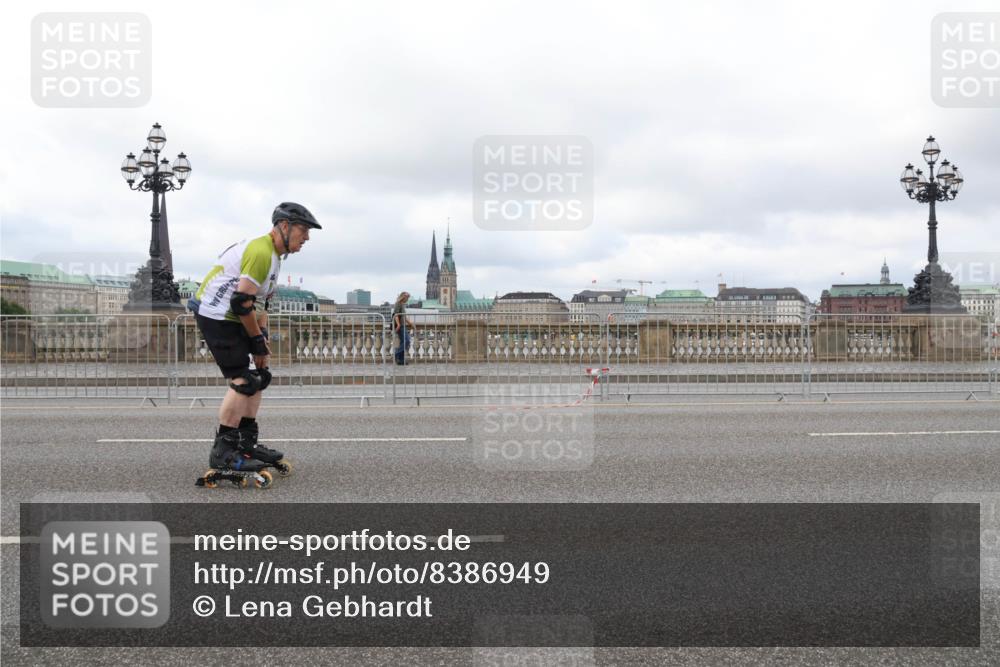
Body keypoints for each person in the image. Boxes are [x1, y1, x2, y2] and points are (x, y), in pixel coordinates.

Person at [189, 202, 321, 482]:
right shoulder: (261, 251)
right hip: (216, 314)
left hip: (234, 315)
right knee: (243, 380)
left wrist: (263, 341)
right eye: (304, 230)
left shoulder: (276, 257)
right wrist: (255, 341)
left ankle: (245, 443)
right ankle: (223, 453)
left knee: (260, 377)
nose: (307, 238)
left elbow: (260, 305)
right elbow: (240, 302)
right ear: (284, 227)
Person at [392, 291, 415, 365]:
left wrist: (410, 323)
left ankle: (401, 360)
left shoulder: (402, 304)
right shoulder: (398, 304)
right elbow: (396, 315)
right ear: (403, 297)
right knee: (407, 341)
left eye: (408, 297)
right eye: (407, 297)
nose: (407, 299)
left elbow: (403, 316)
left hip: (402, 325)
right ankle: (396, 354)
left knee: (403, 342)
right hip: (400, 326)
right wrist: (398, 324)